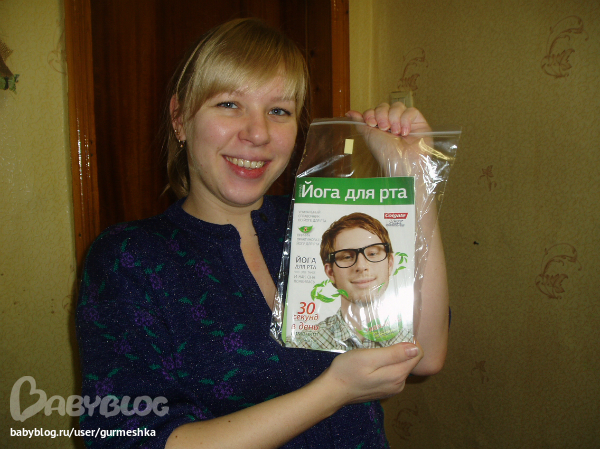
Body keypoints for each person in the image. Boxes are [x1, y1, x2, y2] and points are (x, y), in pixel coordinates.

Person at [76, 18, 449, 449]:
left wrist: (414, 177)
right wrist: (334, 391)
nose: (258, 134)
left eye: (279, 111)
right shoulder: (129, 259)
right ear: (180, 119)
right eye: (229, 104)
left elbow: (425, 352)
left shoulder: (322, 222)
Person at [288, 212, 414, 351]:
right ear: (330, 272)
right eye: (347, 257)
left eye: (372, 253)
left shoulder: (415, 335)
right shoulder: (300, 344)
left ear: (390, 264)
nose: (361, 266)